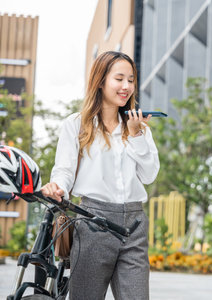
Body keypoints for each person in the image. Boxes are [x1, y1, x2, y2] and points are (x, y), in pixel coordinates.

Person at [41, 51, 159, 300]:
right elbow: (64, 170)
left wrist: (136, 135)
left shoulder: (139, 129)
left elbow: (149, 176)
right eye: (119, 78)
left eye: (131, 79)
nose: (126, 86)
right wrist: (57, 187)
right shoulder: (76, 125)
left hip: (134, 225)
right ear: (101, 80)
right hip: (93, 223)